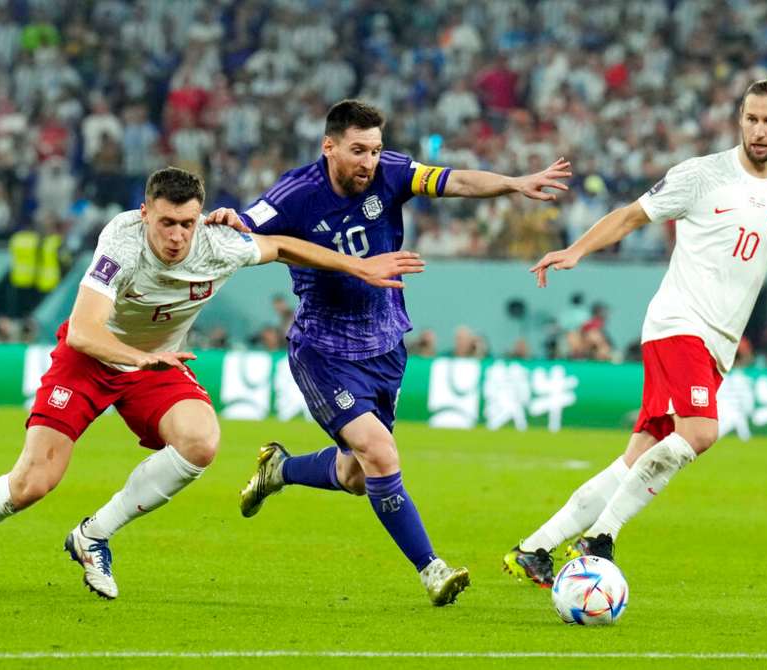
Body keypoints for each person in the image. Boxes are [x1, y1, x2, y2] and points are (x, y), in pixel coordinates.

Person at [0, 167, 424, 600]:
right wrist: (137, 360)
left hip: (156, 361)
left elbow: (283, 246)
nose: (177, 236)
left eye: (187, 224)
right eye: (167, 223)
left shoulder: (218, 244)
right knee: (32, 483)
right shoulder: (120, 243)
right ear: (145, 213)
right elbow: (82, 330)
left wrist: (355, 267)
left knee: (201, 441)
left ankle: (93, 535)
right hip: (93, 358)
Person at [502, 79, 767, 587]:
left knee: (640, 455)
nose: (758, 129)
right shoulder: (702, 174)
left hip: (718, 345)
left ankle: (533, 549)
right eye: (751, 118)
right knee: (701, 432)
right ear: (740, 119)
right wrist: (576, 250)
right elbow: (631, 216)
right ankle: (601, 538)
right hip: (679, 322)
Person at [234, 99, 570, 606]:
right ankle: (431, 569)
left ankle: (279, 468)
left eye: (375, 149)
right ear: (329, 147)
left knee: (354, 475)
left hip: (386, 346)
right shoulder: (297, 193)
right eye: (358, 150)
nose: (369, 161)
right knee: (381, 454)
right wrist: (225, 221)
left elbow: (453, 180)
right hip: (323, 351)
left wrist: (514, 183)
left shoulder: (390, 174)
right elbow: (245, 231)